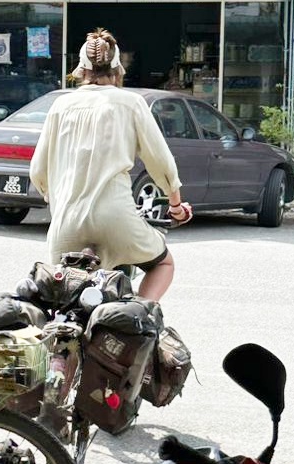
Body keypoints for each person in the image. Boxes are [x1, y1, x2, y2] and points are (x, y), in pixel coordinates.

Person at [29, 27, 192, 301]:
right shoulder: (131, 103)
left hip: (66, 227)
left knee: (63, 299)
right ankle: (139, 315)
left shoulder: (60, 105)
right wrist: (175, 206)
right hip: (116, 220)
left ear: (80, 70)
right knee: (163, 263)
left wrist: (58, 198)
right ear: (119, 69)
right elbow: (161, 161)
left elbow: (38, 171)